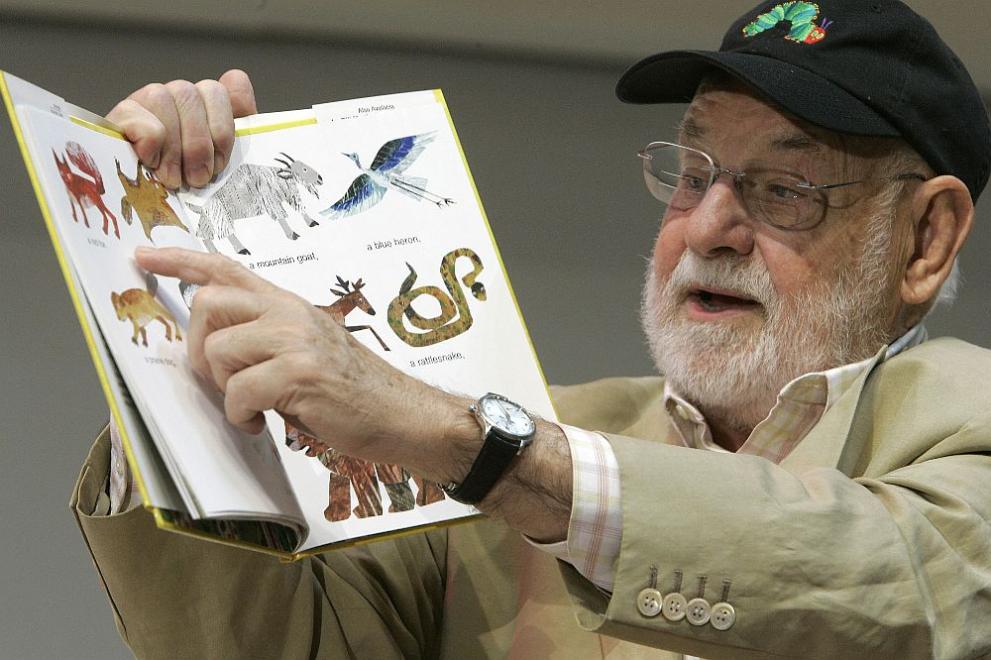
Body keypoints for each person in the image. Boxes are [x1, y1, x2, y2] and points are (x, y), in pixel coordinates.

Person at [73, 1, 991, 658]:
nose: (707, 227)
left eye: (784, 189)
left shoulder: (962, 421)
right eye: (692, 172)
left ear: (925, 239)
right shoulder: (548, 429)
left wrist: (475, 446)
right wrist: (164, 326)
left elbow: (895, 582)